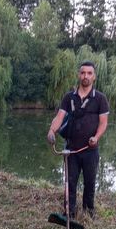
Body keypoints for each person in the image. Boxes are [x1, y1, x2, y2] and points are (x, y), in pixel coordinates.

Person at [47, 61, 109, 218]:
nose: (85, 76)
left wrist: (96, 137)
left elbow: (103, 123)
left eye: (89, 73)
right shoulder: (69, 97)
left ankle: (89, 211)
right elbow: (59, 117)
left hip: (90, 150)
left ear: (94, 77)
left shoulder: (100, 98)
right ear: (79, 75)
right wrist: (51, 131)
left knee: (90, 182)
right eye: (82, 73)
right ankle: (69, 212)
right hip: (71, 150)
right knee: (70, 182)